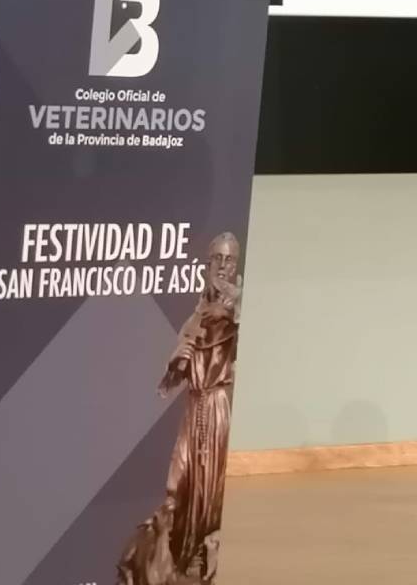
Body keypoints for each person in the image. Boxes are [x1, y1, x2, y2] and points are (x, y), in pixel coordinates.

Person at [155, 232, 243, 583]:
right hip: (194, 406)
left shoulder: (238, 311)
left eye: (230, 260)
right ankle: (179, 558)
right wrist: (176, 362)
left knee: (210, 488)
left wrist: (235, 302)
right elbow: (168, 384)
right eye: (217, 259)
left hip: (217, 405)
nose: (222, 267)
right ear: (206, 264)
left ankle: (205, 557)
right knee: (179, 482)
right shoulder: (195, 317)